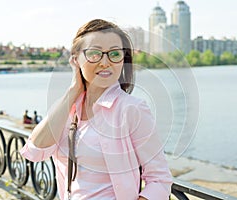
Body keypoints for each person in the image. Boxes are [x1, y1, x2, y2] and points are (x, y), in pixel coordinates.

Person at [20, 19, 172, 200]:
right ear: (76, 60)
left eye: (114, 54)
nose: (105, 62)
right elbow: (34, 152)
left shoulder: (132, 109)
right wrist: (74, 90)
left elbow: (159, 179)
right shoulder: (68, 108)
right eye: (95, 54)